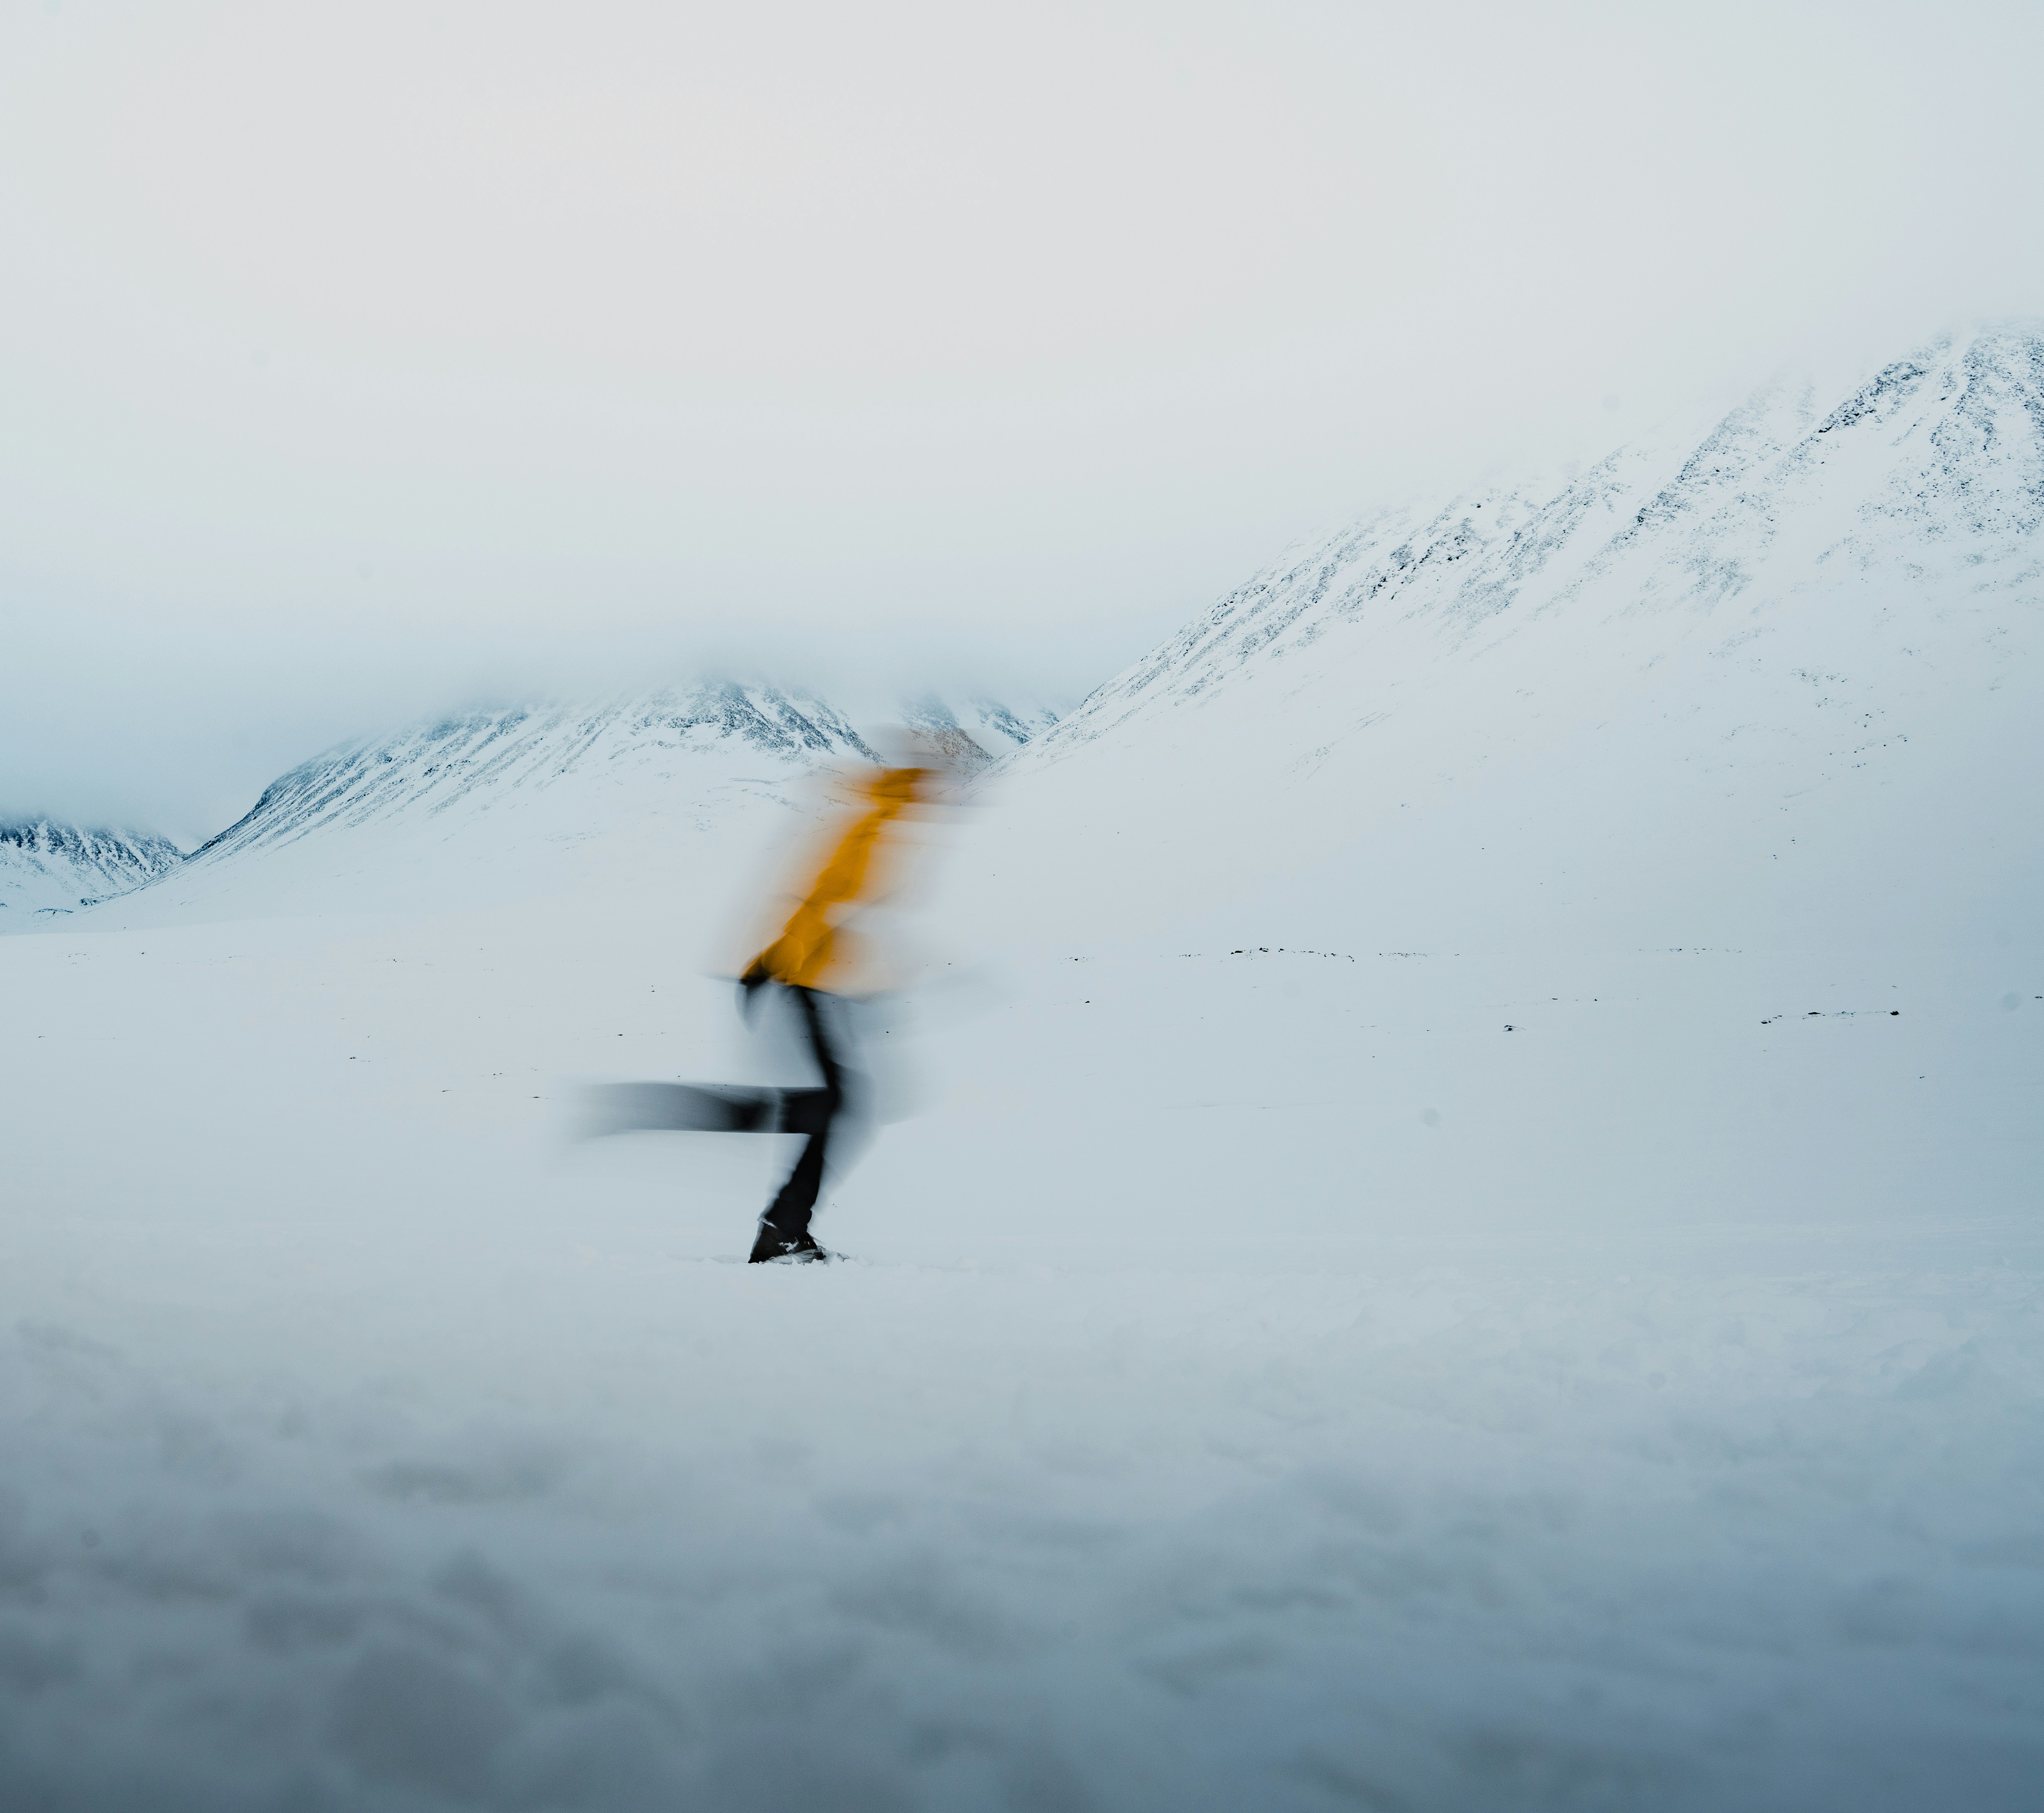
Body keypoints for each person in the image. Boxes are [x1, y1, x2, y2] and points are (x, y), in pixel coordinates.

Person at [578, 750, 939, 1262]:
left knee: (828, 1107)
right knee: (836, 1107)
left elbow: (846, 911)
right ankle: (780, 1231)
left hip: (814, 983)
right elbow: (823, 899)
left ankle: (776, 1221)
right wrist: (778, 964)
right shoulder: (876, 828)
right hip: (803, 983)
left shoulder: (883, 825)